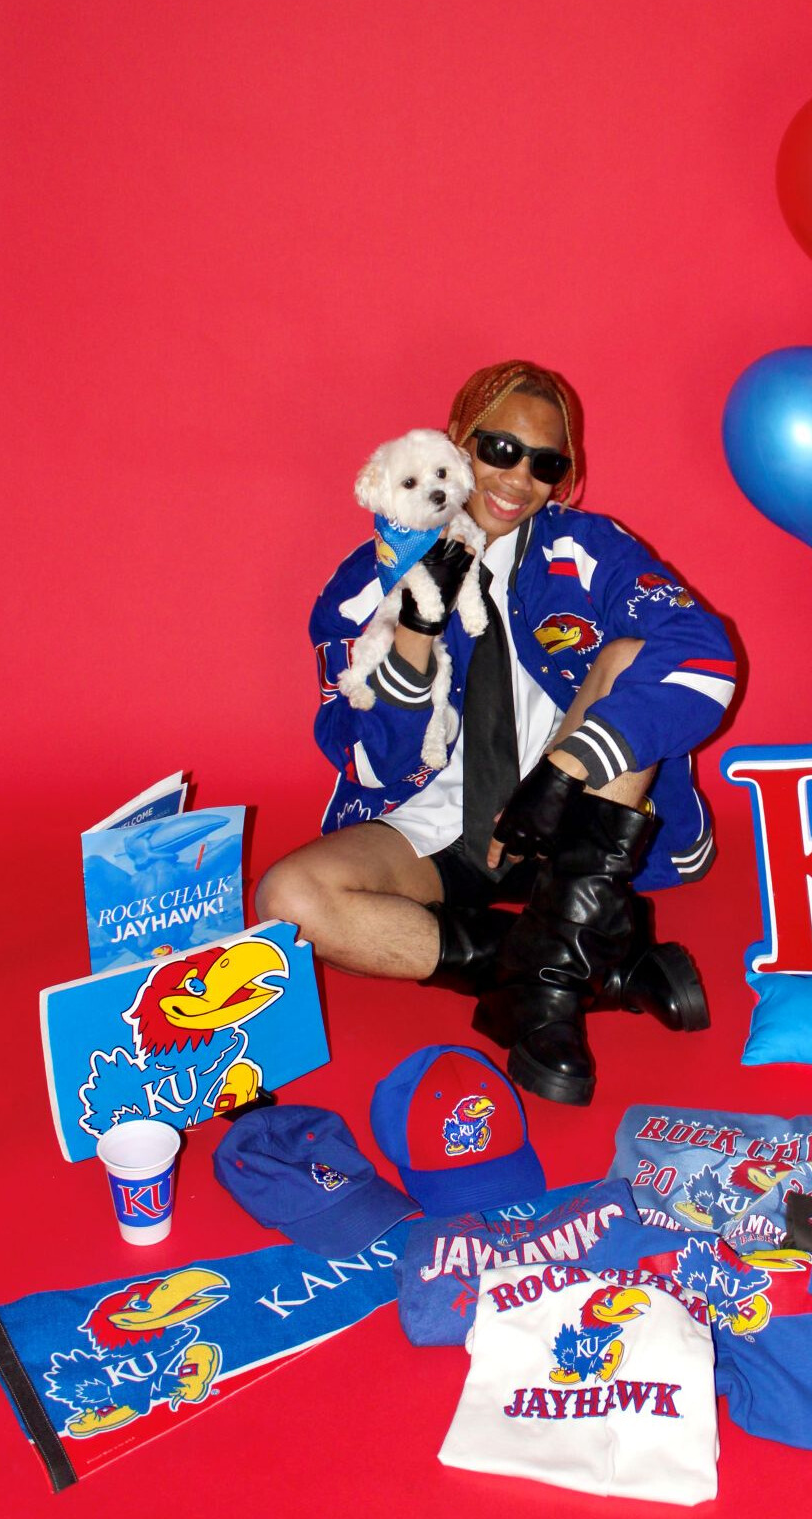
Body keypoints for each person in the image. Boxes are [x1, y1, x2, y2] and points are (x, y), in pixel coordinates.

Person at [257, 359, 737, 1106]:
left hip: (583, 816)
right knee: (289, 900)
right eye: (500, 450)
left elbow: (704, 654)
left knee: (633, 655)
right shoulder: (366, 582)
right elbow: (370, 763)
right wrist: (418, 622)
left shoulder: (590, 548)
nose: (518, 479)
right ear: (458, 440)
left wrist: (561, 772)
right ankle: (585, 970)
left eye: (546, 463)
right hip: (441, 824)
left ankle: (548, 989)